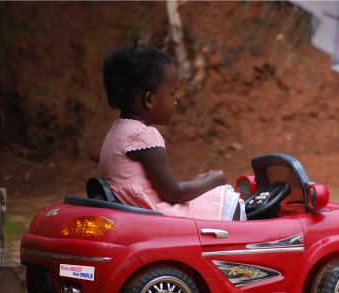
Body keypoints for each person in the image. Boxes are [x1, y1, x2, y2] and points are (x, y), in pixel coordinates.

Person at [99, 39, 246, 221]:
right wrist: (213, 181)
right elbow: (173, 194)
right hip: (159, 219)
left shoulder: (117, 132)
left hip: (140, 214)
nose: (175, 102)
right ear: (149, 100)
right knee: (229, 199)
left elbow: (160, 189)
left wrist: (199, 183)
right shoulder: (143, 136)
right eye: (172, 93)